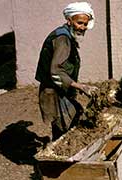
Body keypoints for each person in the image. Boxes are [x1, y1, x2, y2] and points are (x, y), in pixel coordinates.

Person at [35, 2, 97, 141]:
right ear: (69, 21)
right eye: (80, 23)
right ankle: (58, 159)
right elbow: (56, 71)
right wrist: (82, 87)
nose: (83, 27)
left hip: (60, 89)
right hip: (54, 91)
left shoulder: (66, 35)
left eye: (85, 24)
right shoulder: (63, 39)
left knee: (70, 121)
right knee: (65, 128)